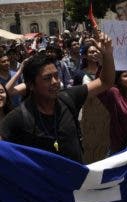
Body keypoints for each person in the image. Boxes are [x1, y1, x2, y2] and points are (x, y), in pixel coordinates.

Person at [0, 32, 115, 163]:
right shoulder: (17, 118)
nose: (55, 82)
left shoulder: (69, 97)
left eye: (56, 75)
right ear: (31, 85)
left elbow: (106, 82)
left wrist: (107, 54)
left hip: (76, 180)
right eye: (47, 78)